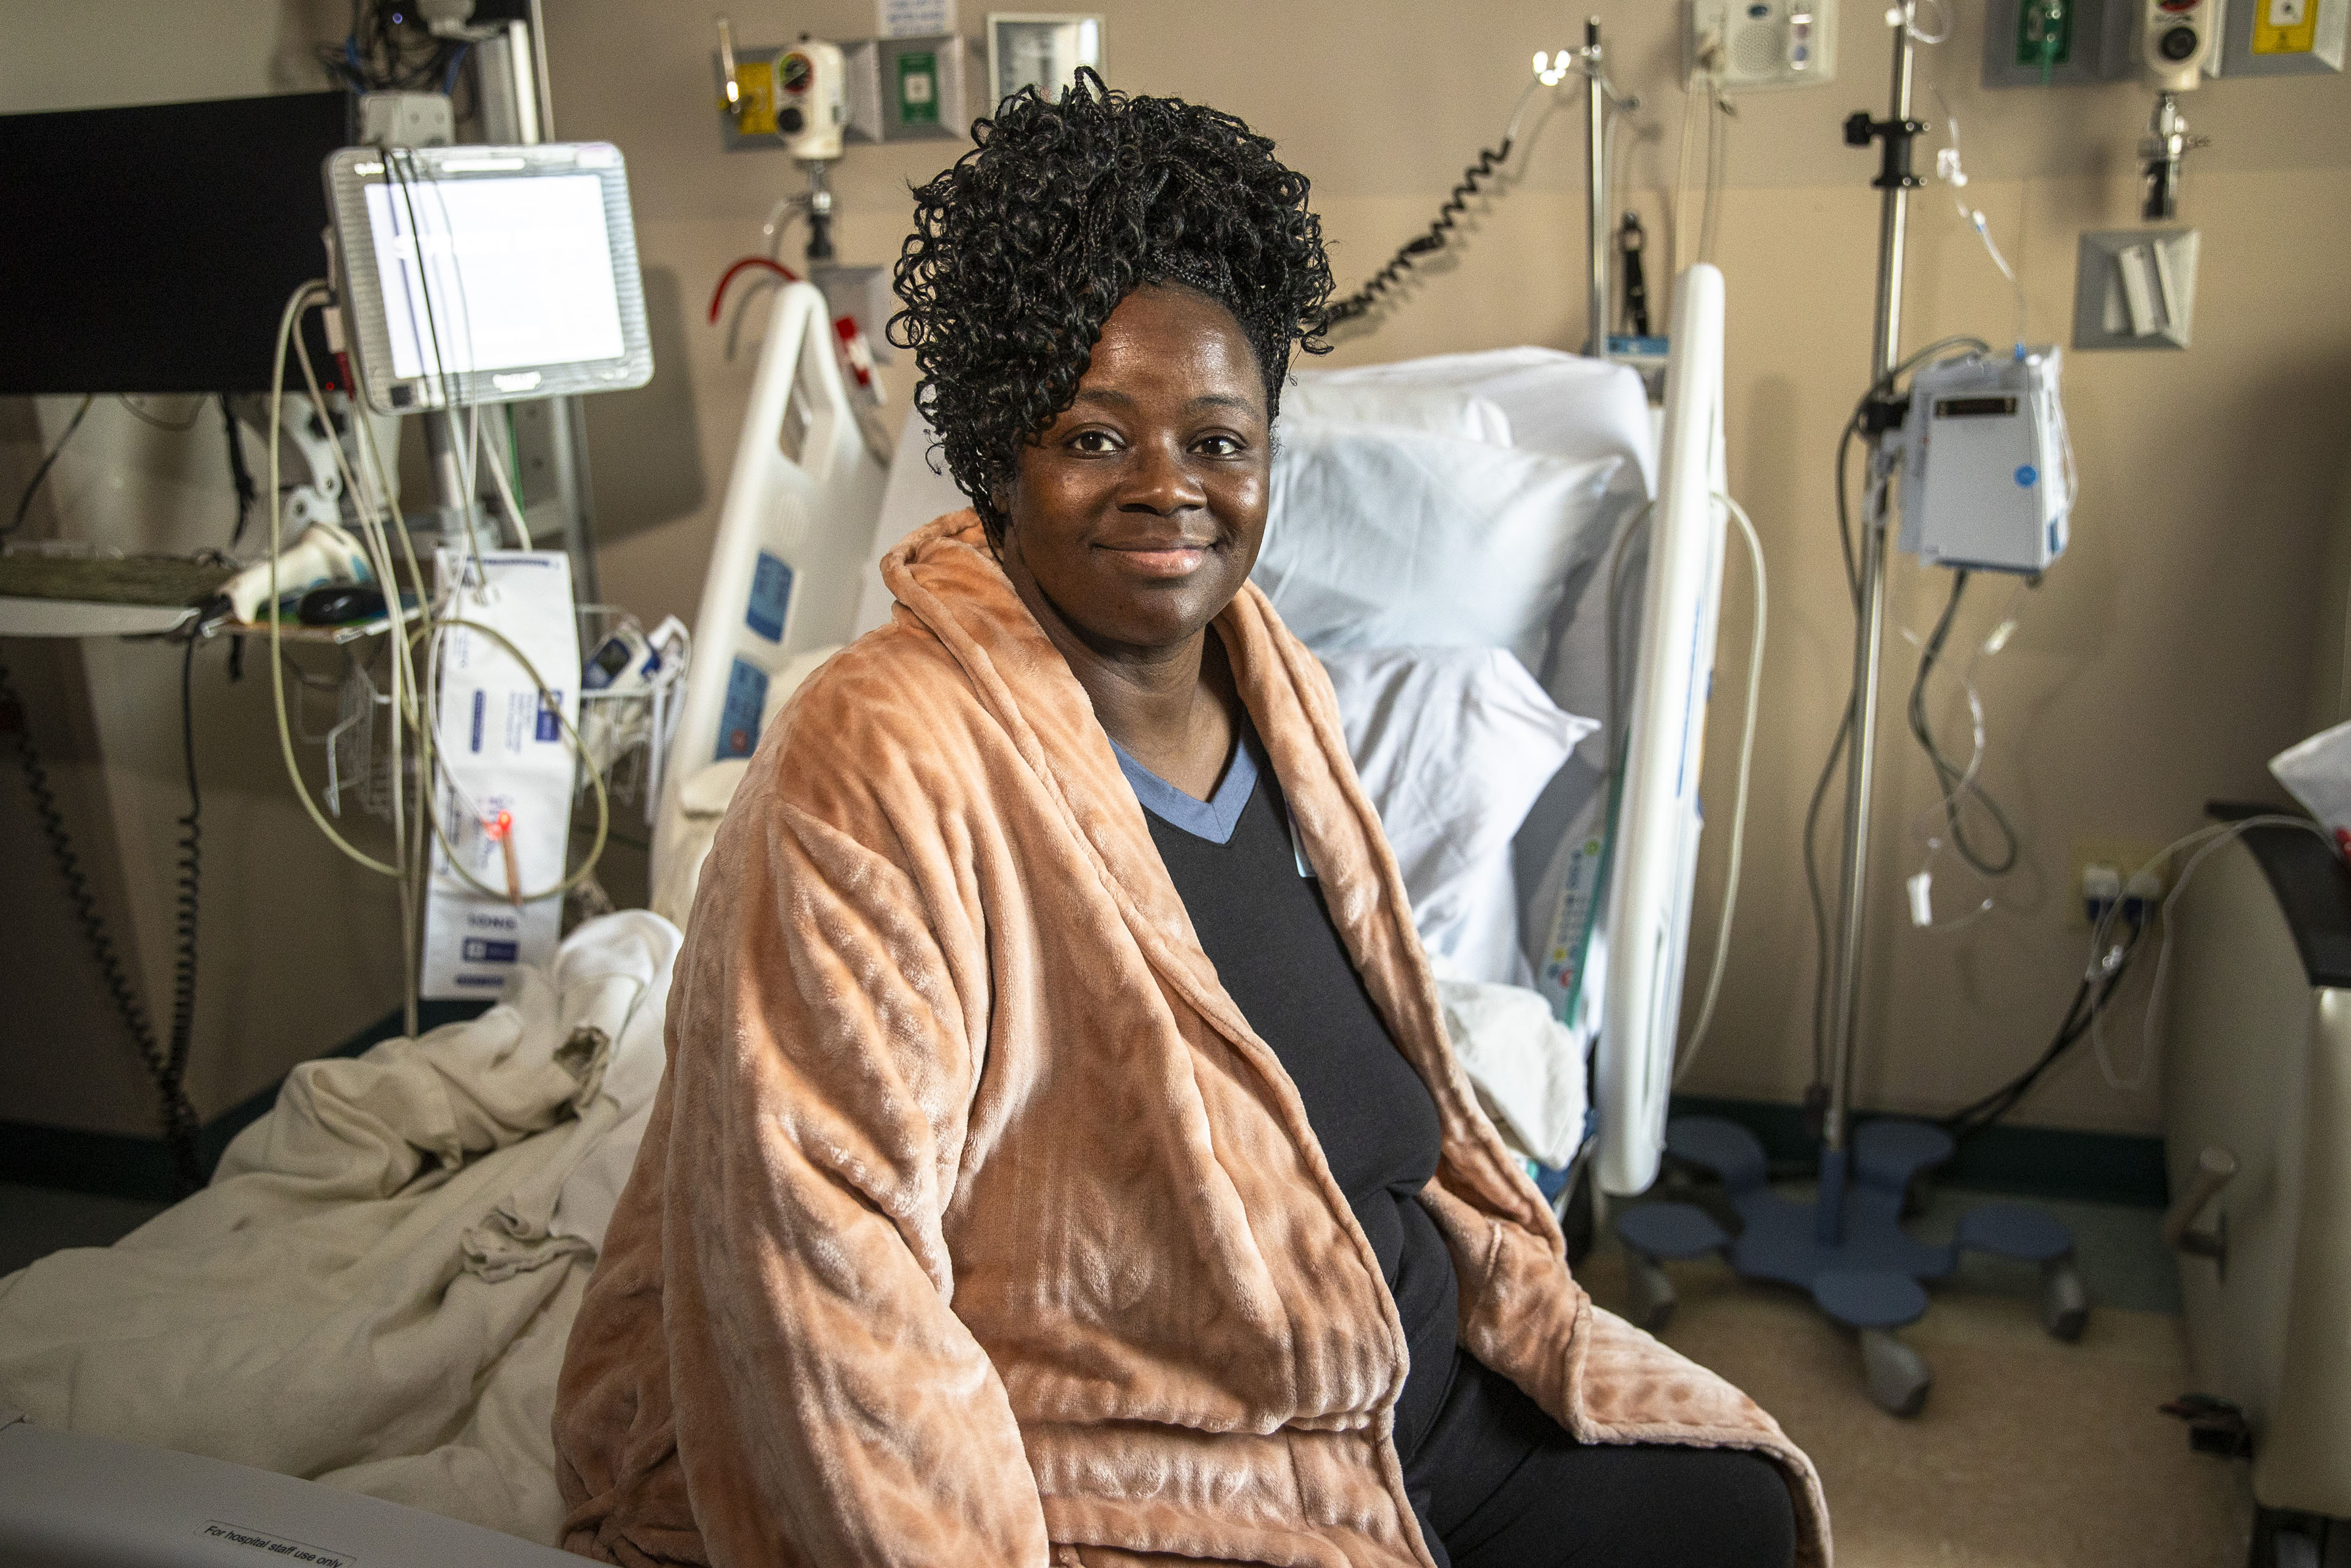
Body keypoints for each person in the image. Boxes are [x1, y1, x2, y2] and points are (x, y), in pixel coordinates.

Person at [553, 73, 1826, 1568]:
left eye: (1221, 442)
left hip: (1410, 1385)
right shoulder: (878, 760)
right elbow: (826, 1291)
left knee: (1744, 1508)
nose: (1172, 489)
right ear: (995, 457)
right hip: (1157, 1468)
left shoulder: (1271, 679)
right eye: (1096, 438)